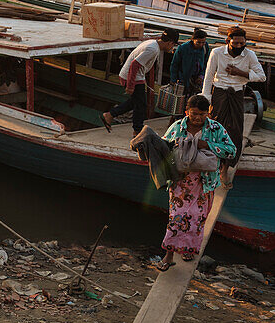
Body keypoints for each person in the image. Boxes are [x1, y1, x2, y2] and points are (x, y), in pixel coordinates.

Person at [156, 94, 236, 271]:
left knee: (197, 218)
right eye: (194, 114)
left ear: (208, 113)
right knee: (176, 218)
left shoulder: (216, 129)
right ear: (186, 112)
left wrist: (207, 145)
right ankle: (169, 255)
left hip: (204, 182)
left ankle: (188, 249)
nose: (198, 118)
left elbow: (231, 151)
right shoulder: (178, 127)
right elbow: (162, 146)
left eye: (202, 114)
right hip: (180, 182)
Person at [202, 26, 265, 187]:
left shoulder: (249, 55)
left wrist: (240, 72)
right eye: (235, 43)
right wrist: (206, 99)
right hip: (220, 93)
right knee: (216, 128)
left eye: (241, 44)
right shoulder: (216, 53)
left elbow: (261, 77)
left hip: (237, 93)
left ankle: (225, 167)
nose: (238, 47)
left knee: (236, 130)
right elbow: (208, 77)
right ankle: (212, 163)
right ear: (227, 41)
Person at [102, 28, 180, 134]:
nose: (172, 48)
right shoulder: (153, 49)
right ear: (170, 42)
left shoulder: (153, 43)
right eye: (173, 45)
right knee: (141, 105)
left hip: (136, 76)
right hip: (132, 76)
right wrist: (130, 85)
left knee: (136, 102)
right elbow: (134, 65)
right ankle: (137, 130)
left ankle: (110, 115)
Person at [169, 28, 210, 98]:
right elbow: (174, 65)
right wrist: (173, 80)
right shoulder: (182, 48)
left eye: (203, 42)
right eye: (198, 42)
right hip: (183, 79)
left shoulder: (205, 47)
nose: (201, 45)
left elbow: (207, 63)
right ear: (192, 40)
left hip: (198, 81)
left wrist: (201, 76)